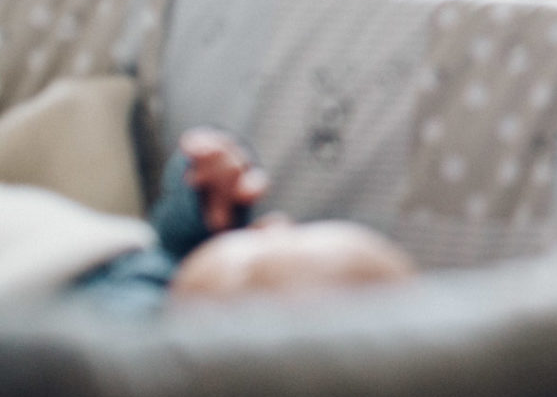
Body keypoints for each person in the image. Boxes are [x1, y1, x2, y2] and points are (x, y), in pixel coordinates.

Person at [72, 127, 416, 311]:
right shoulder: (184, 270)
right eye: (297, 229)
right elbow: (173, 241)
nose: (275, 222)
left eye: (263, 253)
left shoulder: (139, 320)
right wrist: (208, 186)